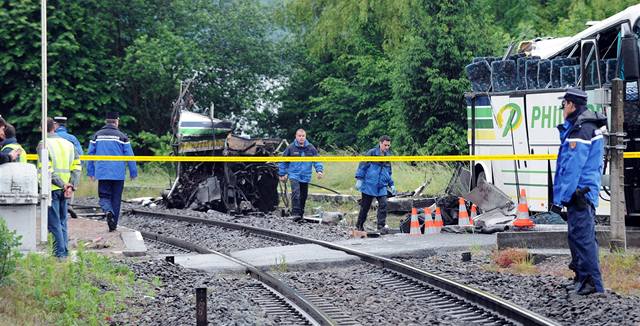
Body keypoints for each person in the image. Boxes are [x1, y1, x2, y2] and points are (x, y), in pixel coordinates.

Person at [550, 88, 606, 295]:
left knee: (582, 238)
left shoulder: (581, 130)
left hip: (579, 193)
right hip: (580, 192)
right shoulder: (582, 127)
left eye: (563, 105)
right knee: (577, 237)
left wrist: (563, 197)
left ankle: (592, 284)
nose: (562, 109)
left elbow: (573, 167)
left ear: (571, 105)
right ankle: (582, 279)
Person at [87, 111, 137, 232]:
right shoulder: (122, 136)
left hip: (103, 173)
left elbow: (90, 155)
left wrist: (91, 172)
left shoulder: (97, 136)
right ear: (116, 121)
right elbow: (130, 155)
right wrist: (133, 172)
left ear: (106, 121)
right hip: (118, 174)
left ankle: (108, 211)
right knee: (116, 198)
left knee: (104, 196)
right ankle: (113, 224)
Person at [38, 118, 80, 258]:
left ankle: (59, 255)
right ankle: (64, 252)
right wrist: (71, 185)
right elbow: (77, 167)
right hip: (66, 189)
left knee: (54, 223)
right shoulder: (68, 144)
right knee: (62, 222)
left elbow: (47, 169)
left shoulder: (43, 145)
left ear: (41, 129)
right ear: (54, 128)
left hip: (52, 189)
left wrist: (63, 185)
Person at [278, 129, 324, 222]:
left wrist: (319, 170)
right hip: (294, 175)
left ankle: (301, 214)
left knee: (304, 195)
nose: (301, 138)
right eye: (299, 136)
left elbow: (317, 160)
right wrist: (282, 173)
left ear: (305, 137)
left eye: (303, 136)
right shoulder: (291, 148)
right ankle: (295, 214)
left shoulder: (311, 148)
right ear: (296, 136)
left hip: (305, 175)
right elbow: (283, 161)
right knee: (296, 193)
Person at [355, 135, 396, 234]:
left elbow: (388, 172)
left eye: (388, 146)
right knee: (365, 207)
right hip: (369, 185)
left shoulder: (387, 156)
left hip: (381, 186)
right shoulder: (372, 153)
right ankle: (359, 226)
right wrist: (359, 179)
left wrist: (391, 184)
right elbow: (362, 166)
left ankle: (380, 226)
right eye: (385, 145)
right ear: (380, 143)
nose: (387, 147)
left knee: (384, 204)